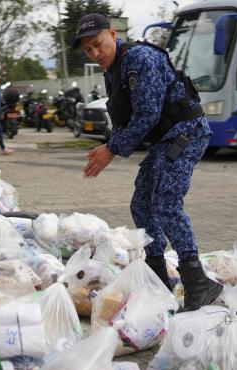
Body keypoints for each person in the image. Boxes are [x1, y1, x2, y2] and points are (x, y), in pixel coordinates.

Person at [72, 14, 222, 311]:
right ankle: (157, 277)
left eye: (98, 45)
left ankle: (197, 281)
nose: (95, 53)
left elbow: (148, 114)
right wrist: (111, 145)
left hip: (186, 132)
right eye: (88, 50)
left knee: (166, 201)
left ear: (113, 34)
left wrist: (111, 150)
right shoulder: (112, 71)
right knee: (141, 203)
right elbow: (126, 118)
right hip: (166, 139)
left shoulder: (140, 58)